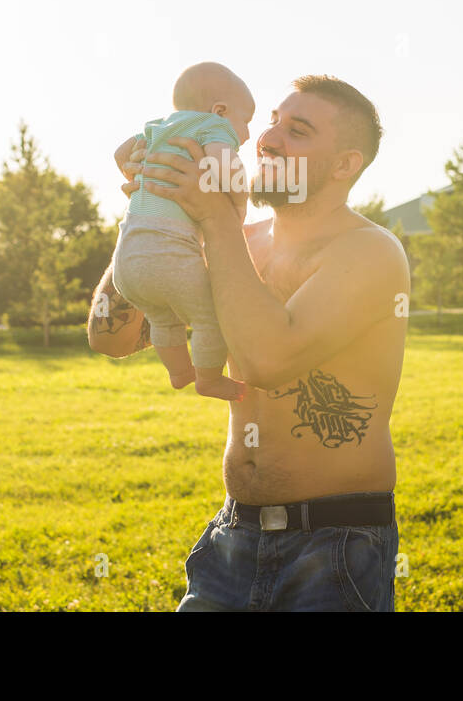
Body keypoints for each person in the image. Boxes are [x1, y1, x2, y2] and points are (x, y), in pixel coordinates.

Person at [88, 74, 410, 612]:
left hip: (336, 545)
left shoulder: (371, 252)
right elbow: (110, 336)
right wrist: (150, 215)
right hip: (232, 537)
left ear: (345, 164)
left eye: (298, 130)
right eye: (272, 123)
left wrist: (213, 216)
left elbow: (266, 359)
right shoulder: (235, 241)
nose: (268, 139)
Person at [109, 61, 254, 401]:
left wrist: (135, 174)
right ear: (220, 110)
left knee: (163, 319)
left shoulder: (156, 126)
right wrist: (239, 201)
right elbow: (223, 162)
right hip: (168, 253)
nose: (246, 134)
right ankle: (209, 379)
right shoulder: (212, 125)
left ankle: (178, 372)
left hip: (127, 260)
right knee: (209, 319)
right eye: (245, 121)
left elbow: (120, 153)